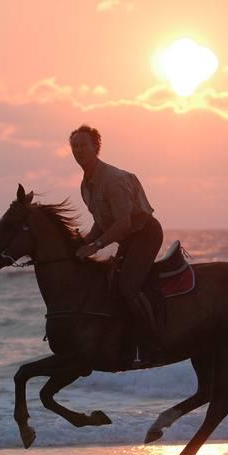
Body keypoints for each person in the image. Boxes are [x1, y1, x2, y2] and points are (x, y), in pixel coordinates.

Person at [69, 124, 164, 365]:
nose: (79, 150)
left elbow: (123, 223)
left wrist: (96, 245)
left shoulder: (113, 180)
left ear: (96, 148)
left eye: (84, 145)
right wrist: (83, 241)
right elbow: (102, 222)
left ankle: (151, 344)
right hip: (128, 239)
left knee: (127, 288)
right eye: (75, 146)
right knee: (109, 286)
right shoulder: (85, 184)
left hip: (145, 234)